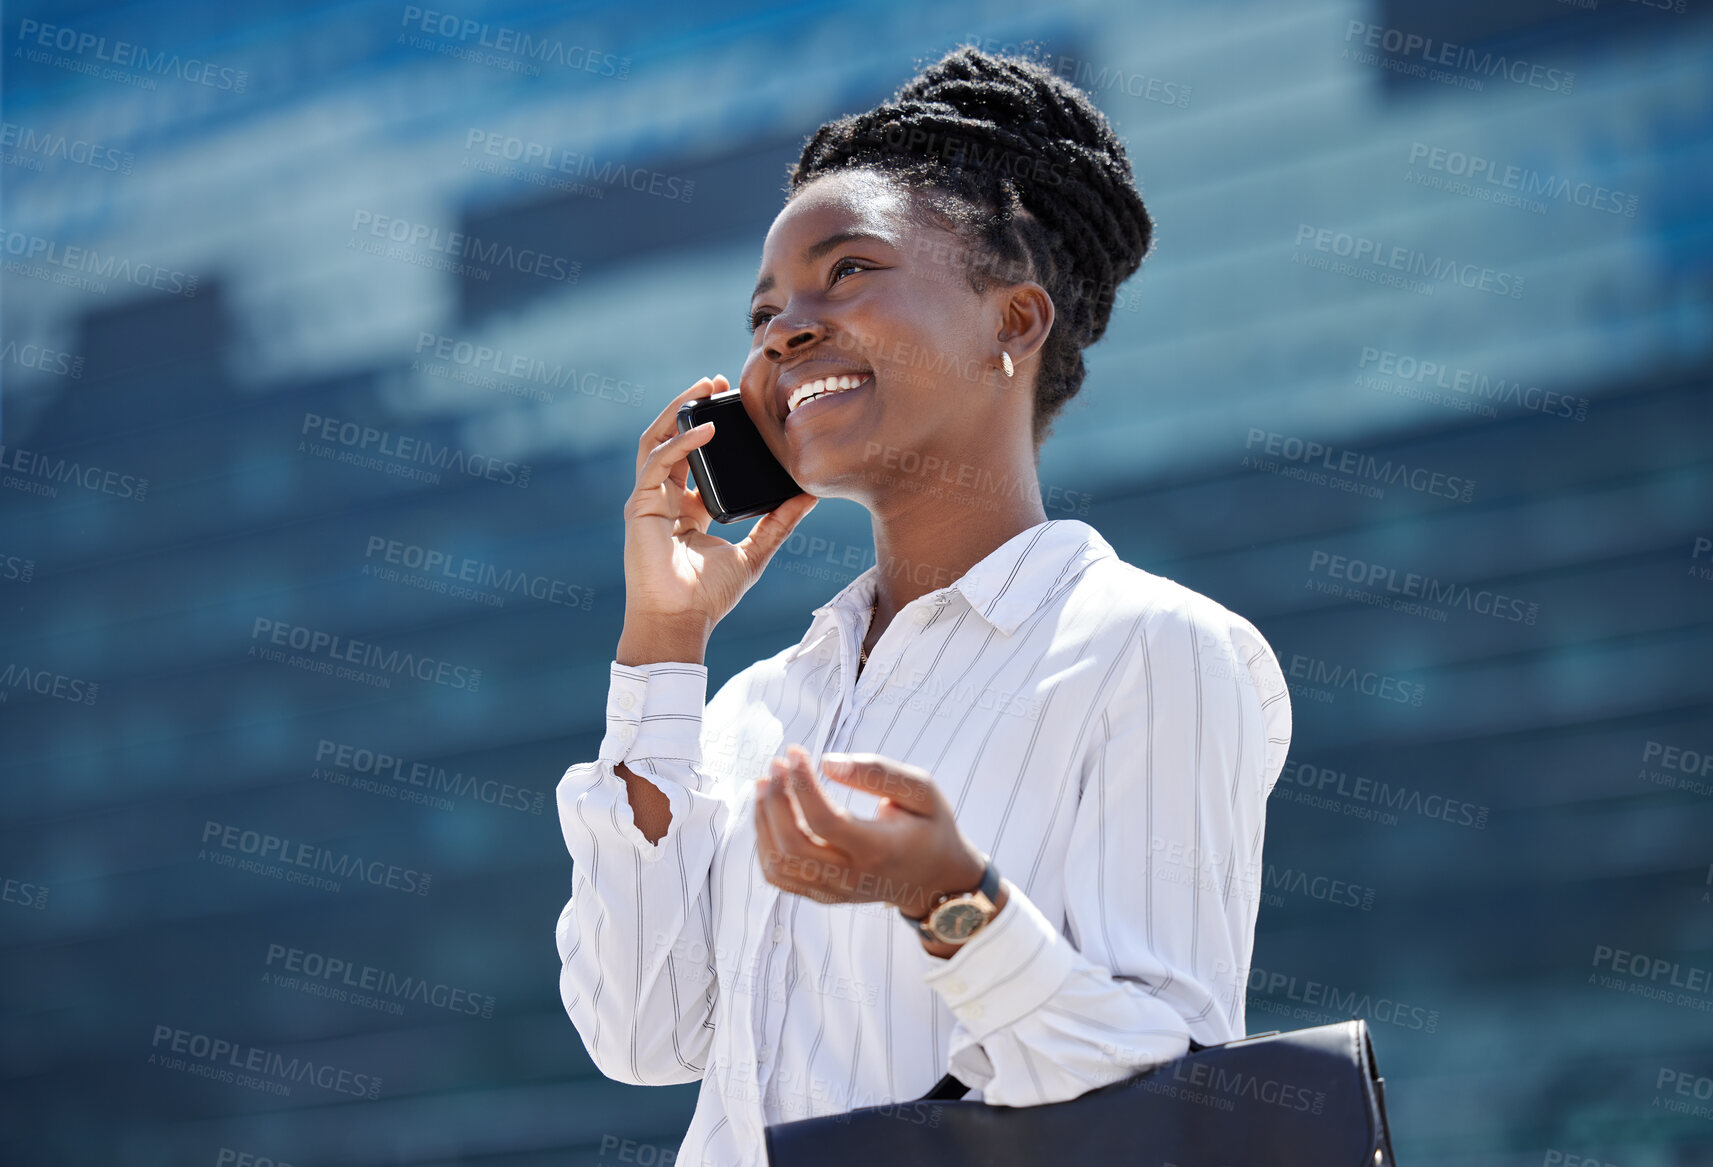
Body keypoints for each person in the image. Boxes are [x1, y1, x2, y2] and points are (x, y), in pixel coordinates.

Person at [554, 44, 1292, 1167]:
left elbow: (1174, 1107)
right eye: (766, 311)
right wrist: (661, 645)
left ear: (1015, 322)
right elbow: (643, 1037)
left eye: (848, 271)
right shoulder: (759, 707)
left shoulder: (1152, 650)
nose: (783, 330)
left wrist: (950, 898)